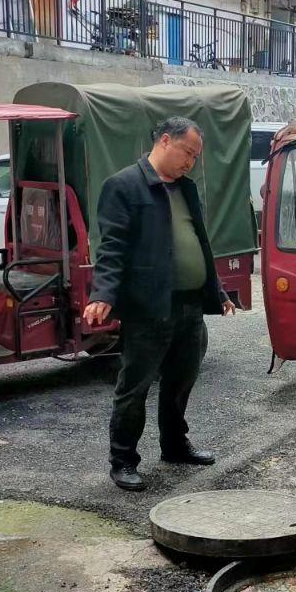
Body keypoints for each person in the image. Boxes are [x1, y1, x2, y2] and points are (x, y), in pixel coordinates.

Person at [83, 117, 236, 491]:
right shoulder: (124, 186)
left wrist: (217, 291)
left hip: (190, 305)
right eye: (187, 152)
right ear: (165, 141)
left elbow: (199, 244)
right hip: (149, 307)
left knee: (181, 381)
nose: (191, 162)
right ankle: (123, 460)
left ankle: (174, 445)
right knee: (134, 387)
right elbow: (111, 247)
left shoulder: (186, 188)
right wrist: (103, 294)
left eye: (196, 157)